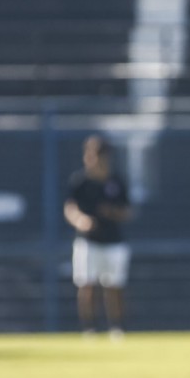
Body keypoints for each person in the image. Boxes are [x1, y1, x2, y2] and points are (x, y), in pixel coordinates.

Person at [64, 134, 132, 338]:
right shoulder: (80, 181)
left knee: (114, 285)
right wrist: (80, 220)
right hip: (88, 241)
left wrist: (112, 212)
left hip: (113, 241)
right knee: (86, 284)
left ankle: (116, 327)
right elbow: (70, 207)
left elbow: (128, 210)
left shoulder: (116, 181)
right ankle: (89, 329)